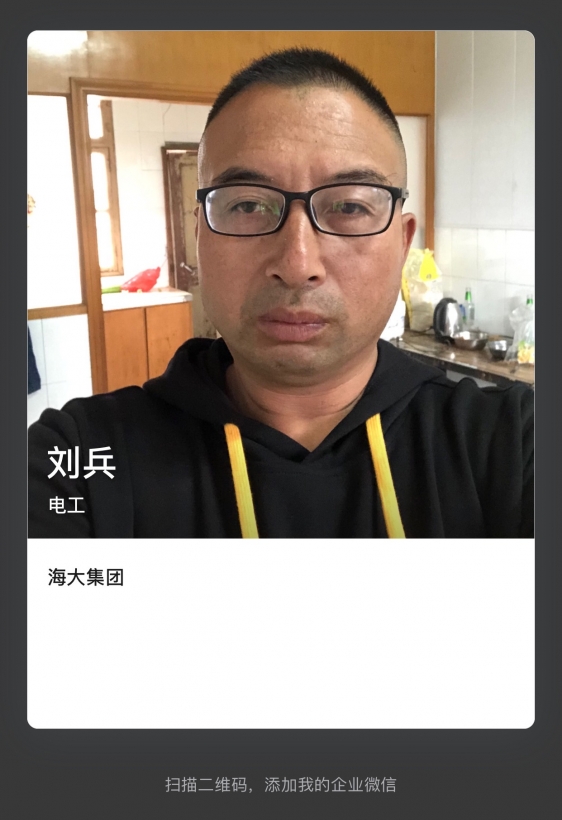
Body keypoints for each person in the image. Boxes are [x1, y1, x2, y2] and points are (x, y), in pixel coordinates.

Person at [28, 48, 534, 538]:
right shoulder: (76, 461)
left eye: (350, 208)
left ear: (402, 244)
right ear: (199, 237)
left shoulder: (513, 442)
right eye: (248, 205)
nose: (297, 266)